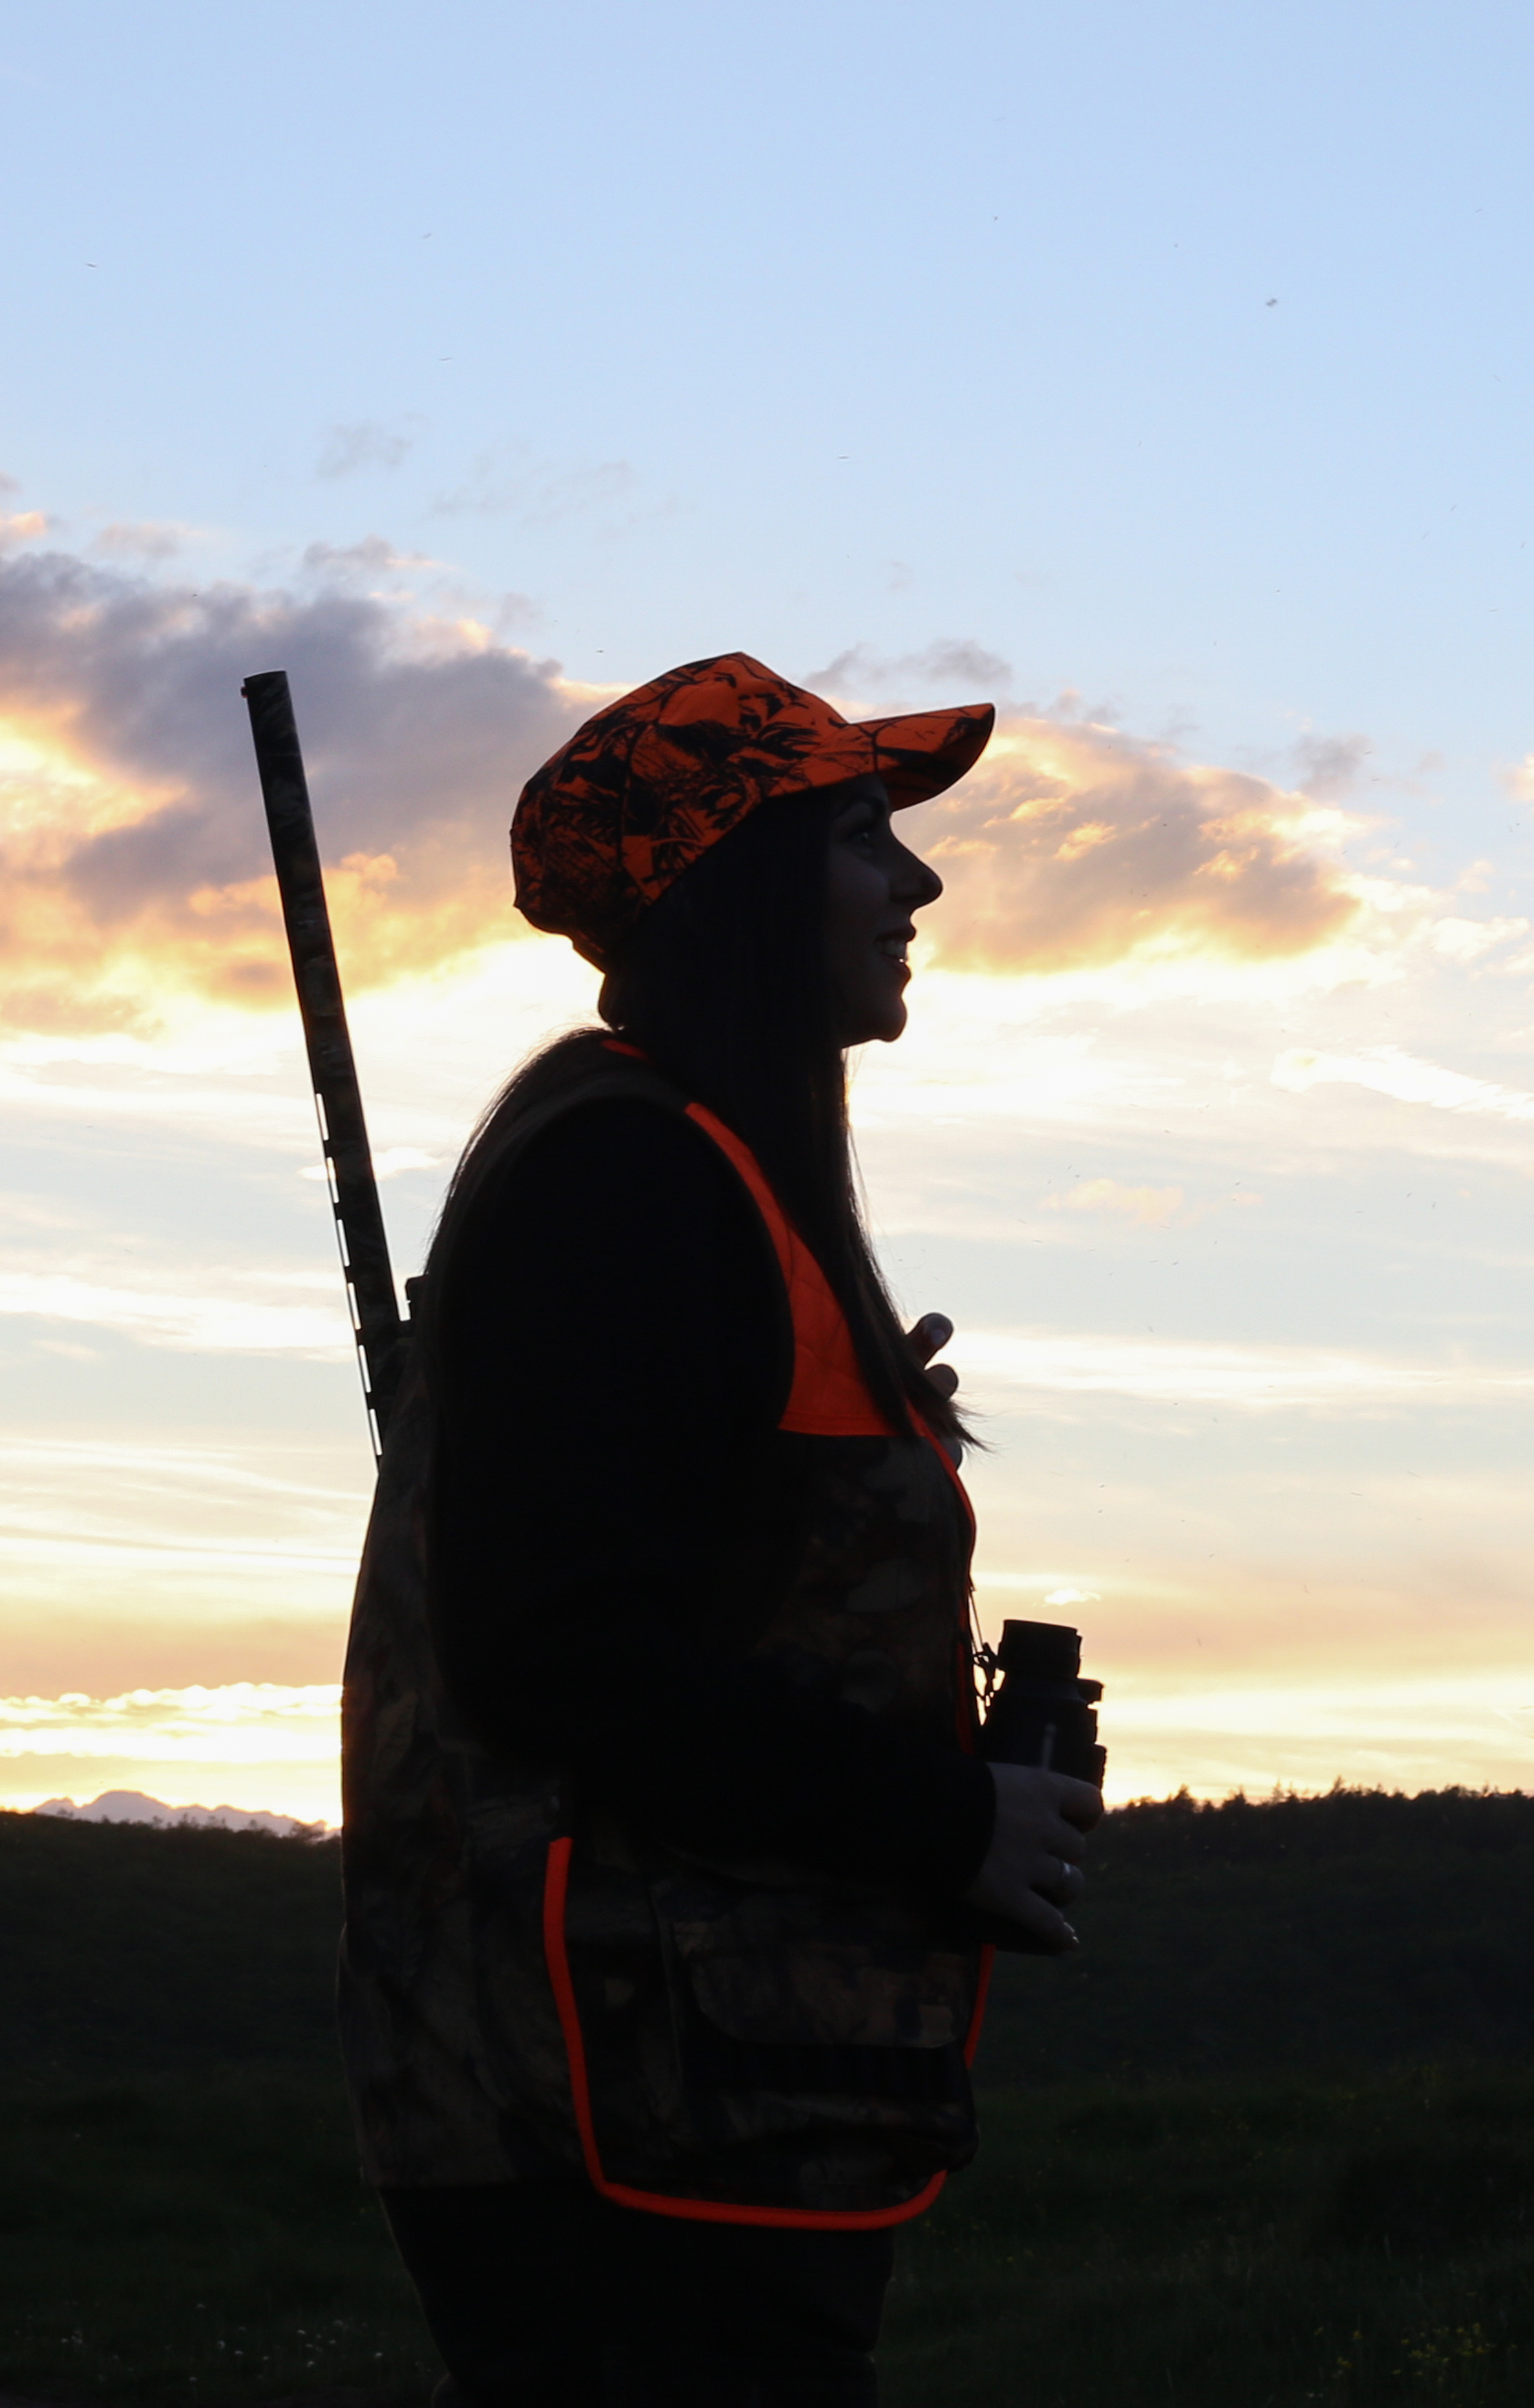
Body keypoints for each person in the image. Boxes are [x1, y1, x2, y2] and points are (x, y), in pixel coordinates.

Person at [340, 653, 1104, 2408]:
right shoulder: (631, 1180)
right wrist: (940, 1816)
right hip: (628, 2103)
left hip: (721, 2087)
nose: (916, 883)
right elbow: (560, 1651)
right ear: (745, 887)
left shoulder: (699, 1179)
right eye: (860, 839)